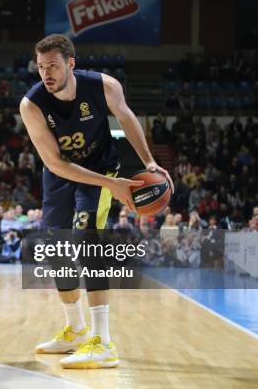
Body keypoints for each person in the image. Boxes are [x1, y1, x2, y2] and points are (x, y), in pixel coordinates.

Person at [20, 34, 173, 369]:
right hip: (62, 175)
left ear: (70, 64)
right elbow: (55, 163)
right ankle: (75, 330)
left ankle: (103, 342)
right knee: (57, 250)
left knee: (87, 244)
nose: (46, 73)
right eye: (41, 67)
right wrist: (111, 185)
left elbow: (127, 118)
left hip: (101, 168)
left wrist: (148, 162)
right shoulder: (31, 105)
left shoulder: (103, 86)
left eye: (54, 66)